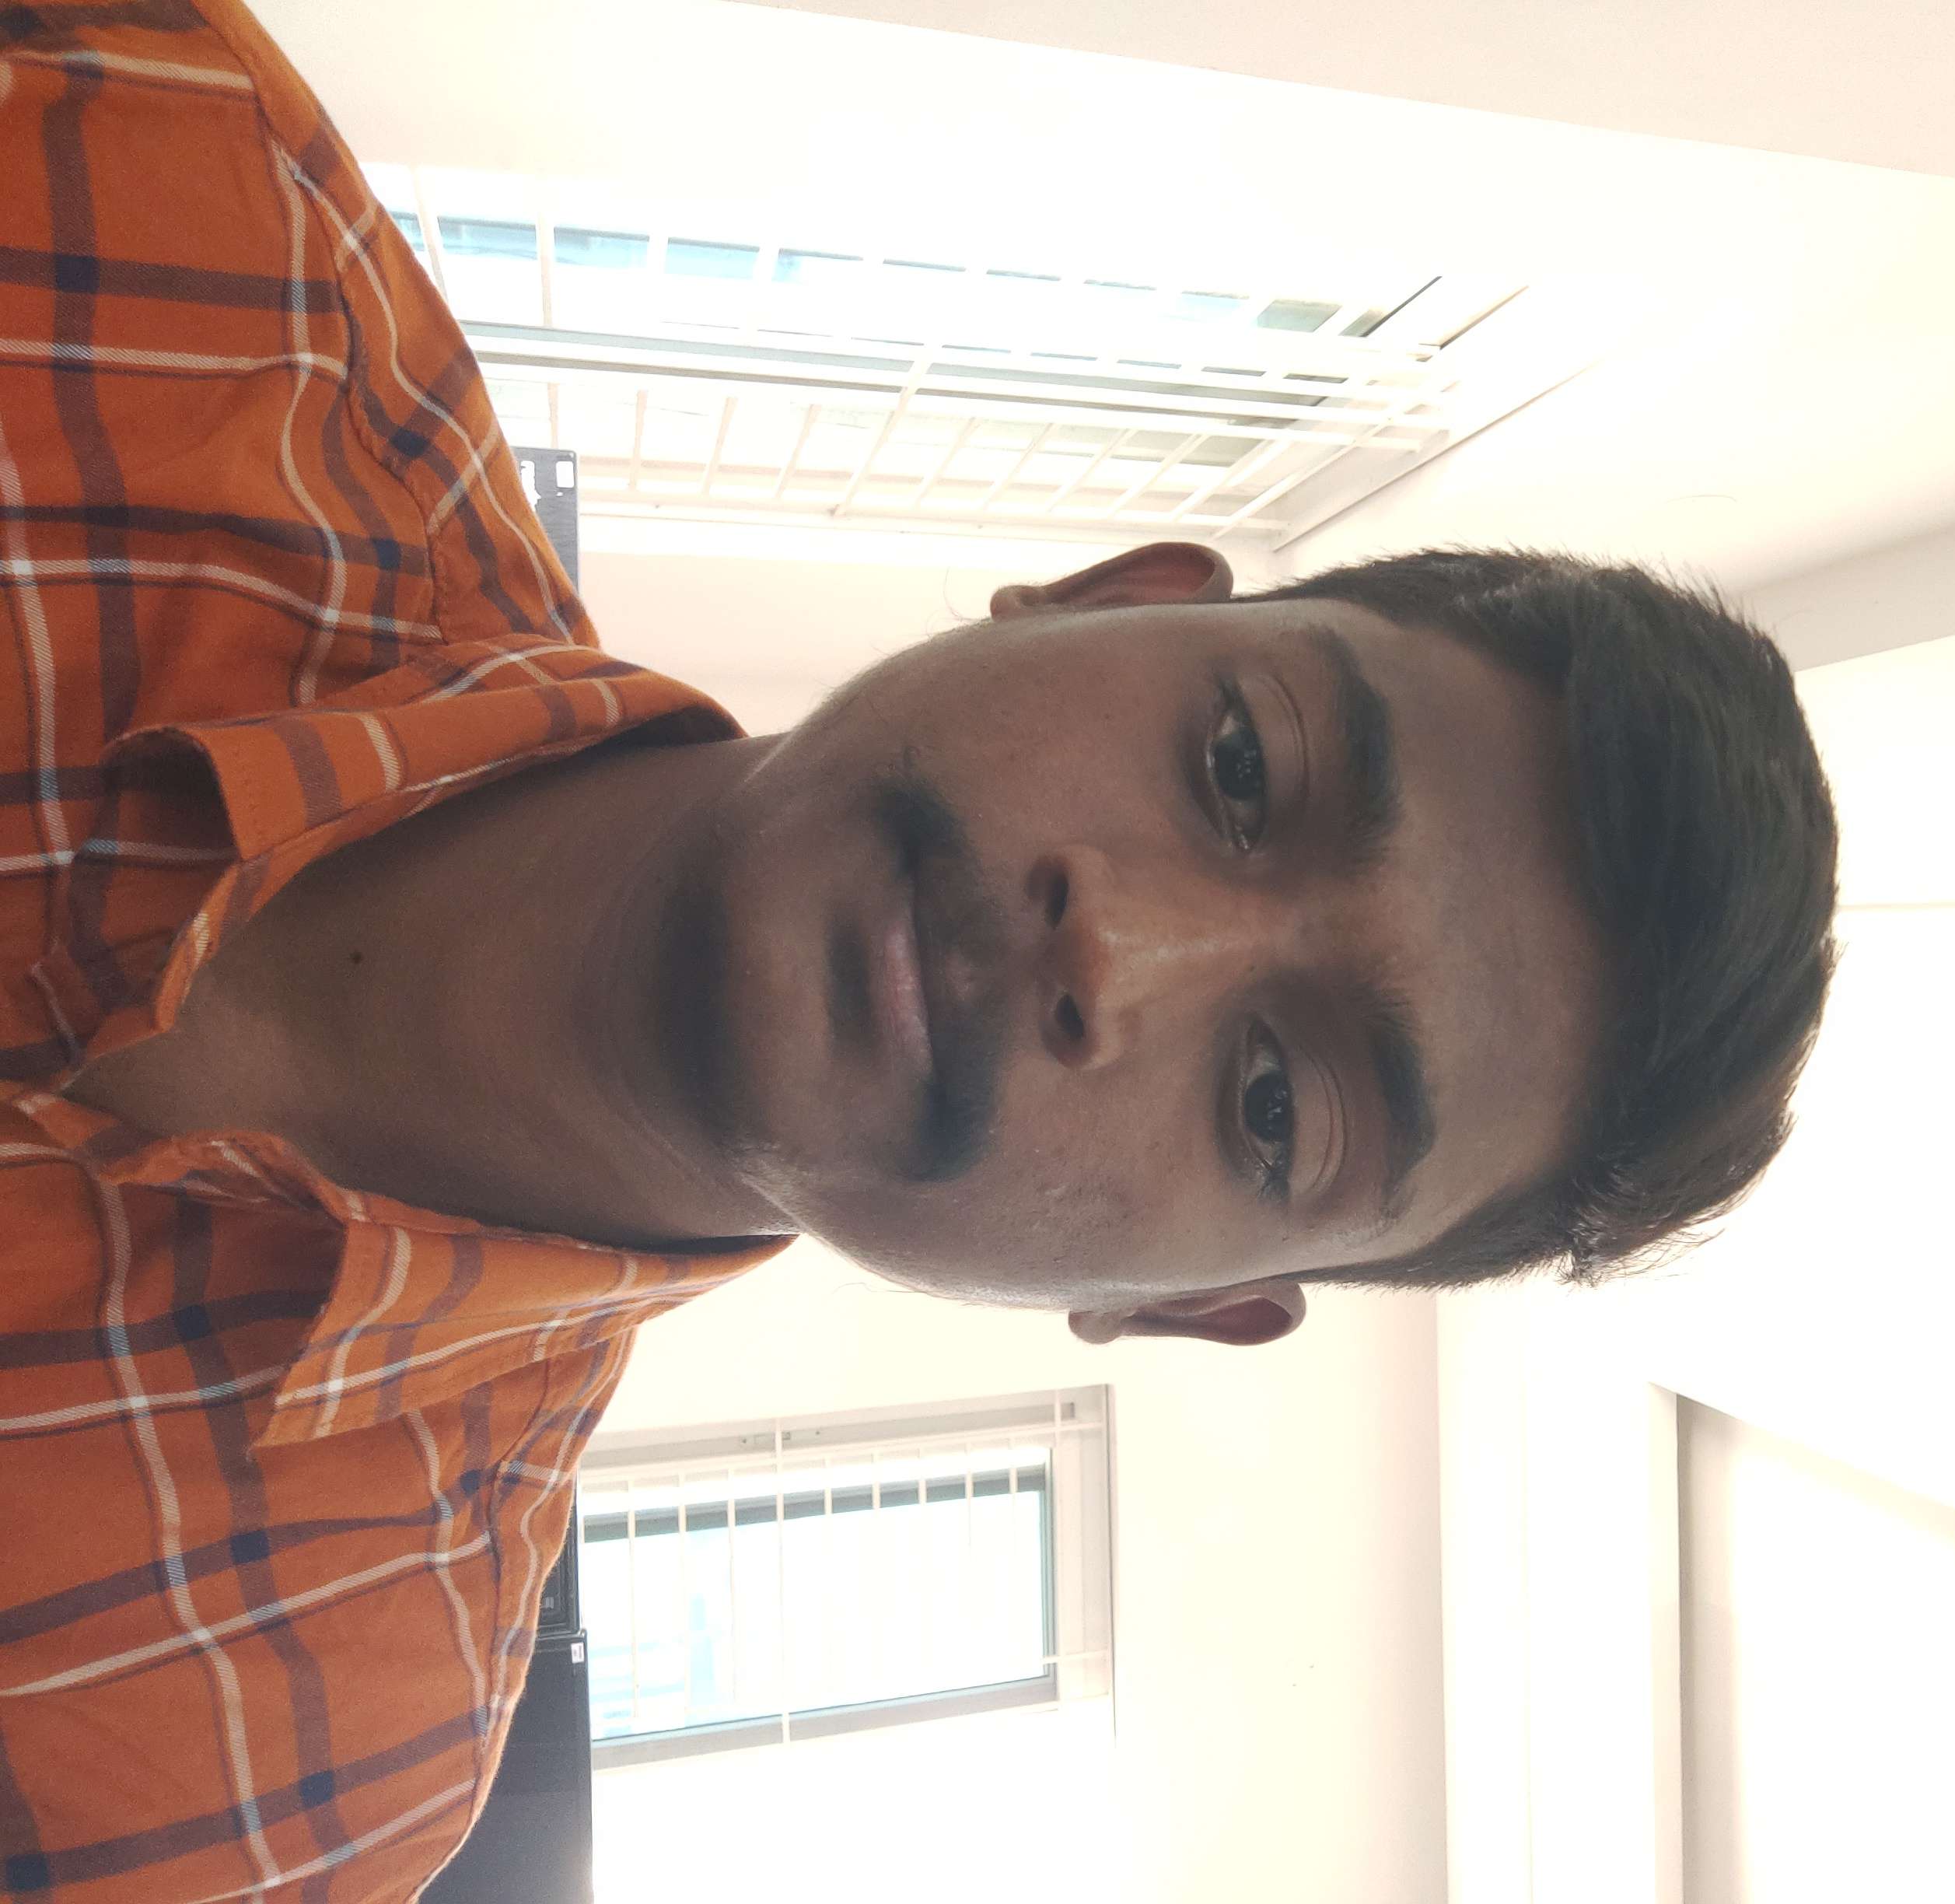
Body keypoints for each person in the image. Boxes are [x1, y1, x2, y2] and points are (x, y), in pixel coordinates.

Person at [0, 2, 1838, 1898]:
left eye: (1279, 1106)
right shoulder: (153, 160)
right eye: (1238, 765)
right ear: (1102, 596)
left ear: (1181, 1307)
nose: (1119, 950)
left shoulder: (294, 1801)